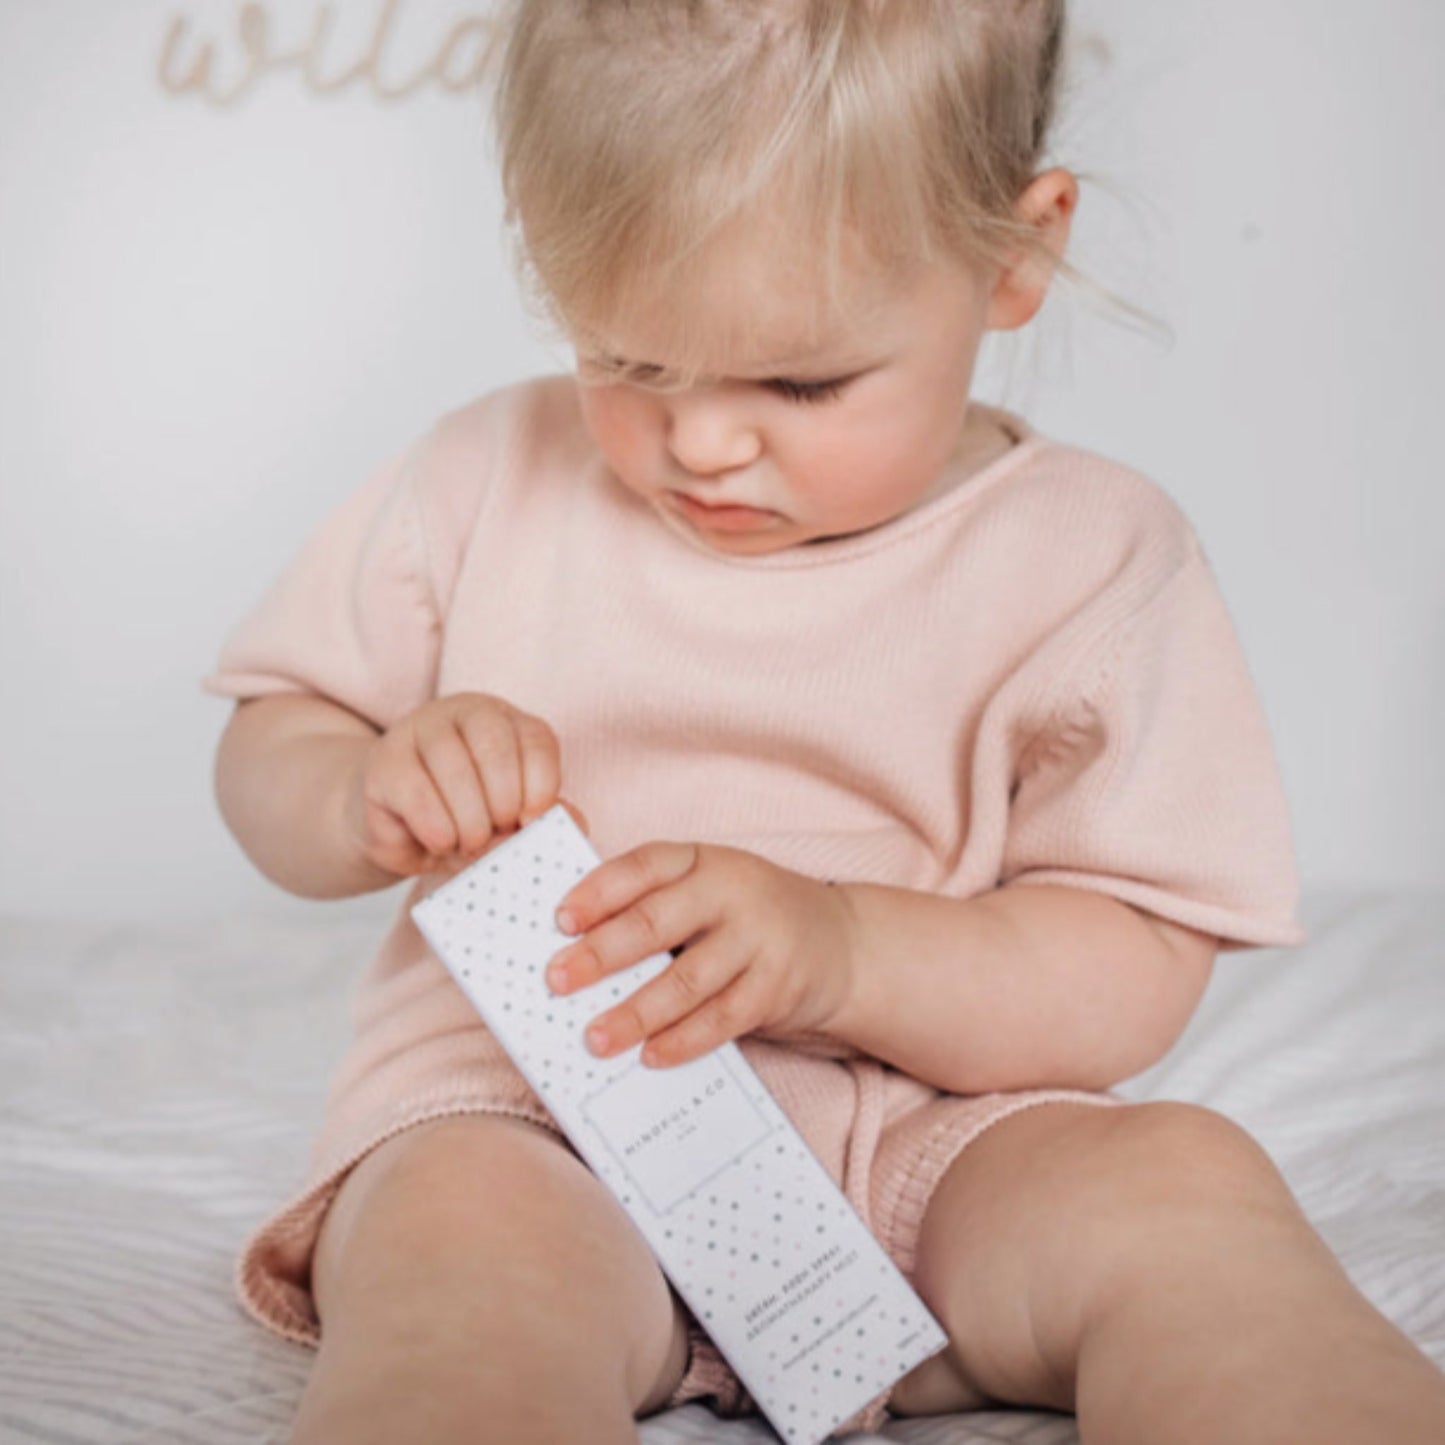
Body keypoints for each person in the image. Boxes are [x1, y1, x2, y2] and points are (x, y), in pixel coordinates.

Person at [205, 2, 1445, 1442]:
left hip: (938, 1155)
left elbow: (1134, 961)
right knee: (456, 1250)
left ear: (1015, 251)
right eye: (631, 360)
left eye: (798, 380)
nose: (701, 441)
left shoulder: (1091, 558)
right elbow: (271, 737)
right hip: (534, 1121)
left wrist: (845, 948)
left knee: (1185, 1183)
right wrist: (355, 785)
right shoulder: (488, 473)